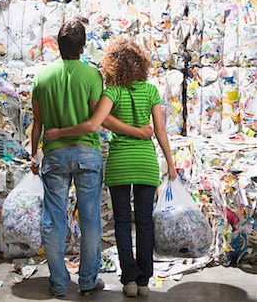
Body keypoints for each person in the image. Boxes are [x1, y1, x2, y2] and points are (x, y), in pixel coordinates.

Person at [45, 38, 177, 298]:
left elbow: (97, 121)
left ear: (112, 66)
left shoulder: (111, 92)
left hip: (119, 164)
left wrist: (59, 132)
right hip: (146, 163)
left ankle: (128, 279)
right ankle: (143, 280)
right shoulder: (151, 91)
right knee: (145, 222)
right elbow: (160, 131)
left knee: (123, 222)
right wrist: (170, 164)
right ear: (141, 64)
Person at [31, 20, 153, 298]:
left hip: (54, 155)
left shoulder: (41, 77)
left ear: (57, 45)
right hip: (87, 154)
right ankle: (87, 281)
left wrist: (33, 152)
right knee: (89, 221)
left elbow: (37, 122)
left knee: (53, 220)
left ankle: (59, 283)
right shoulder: (92, 76)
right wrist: (137, 131)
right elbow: (100, 120)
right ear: (82, 46)